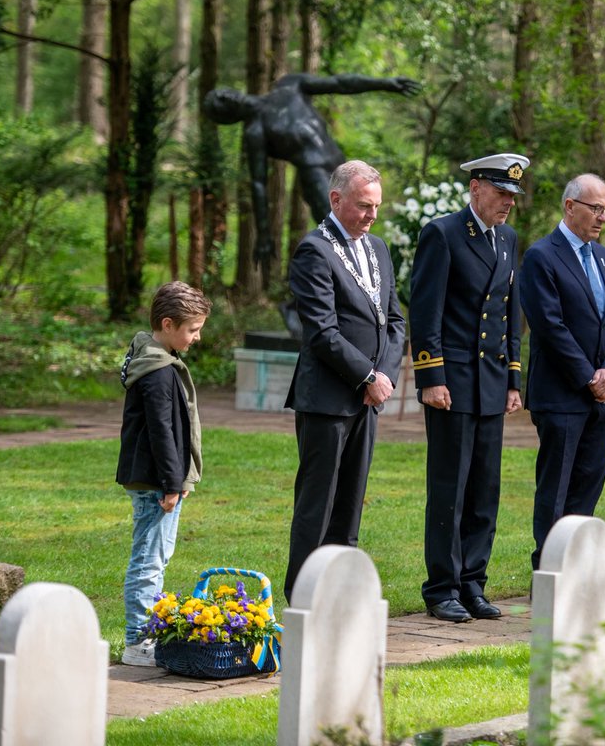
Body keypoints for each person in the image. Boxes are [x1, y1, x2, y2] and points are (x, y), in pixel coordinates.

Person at [411, 152, 527, 622]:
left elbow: (510, 314)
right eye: (501, 193)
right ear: (476, 187)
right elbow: (426, 311)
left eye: (513, 196)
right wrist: (431, 377)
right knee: (450, 487)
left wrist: (514, 379)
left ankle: (473, 583)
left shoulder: (508, 240)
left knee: (485, 489)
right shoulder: (443, 234)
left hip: (492, 382)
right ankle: (442, 588)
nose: (508, 204)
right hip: (453, 381)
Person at [283, 159, 406, 601]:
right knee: (319, 503)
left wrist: (384, 378)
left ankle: (337, 593)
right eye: (362, 205)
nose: (372, 215)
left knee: (351, 502)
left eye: (376, 206)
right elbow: (321, 331)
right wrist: (367, 375)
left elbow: (394, 320)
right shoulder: (314, 250)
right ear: (336, 199)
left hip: (368, 398)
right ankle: (302, 597)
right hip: (327, 400)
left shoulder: (378, 249)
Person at [519, 174, 605, 569]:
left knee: (588, 483)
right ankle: (548, 569)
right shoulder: (541, 256)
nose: (602, 217)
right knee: (556, 487)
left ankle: (576, 563)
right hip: (562, 394)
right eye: (595, 208)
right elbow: (549, 327)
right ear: (570, 207)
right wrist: (590, 377)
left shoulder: (603, 256)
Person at [202, 73, 421, 262]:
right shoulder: (256, 132)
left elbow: (340, 84)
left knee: (361, 225)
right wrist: (264, 234)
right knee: (341, 232)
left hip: (343, 166)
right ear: (227, 118)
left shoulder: (290, 85)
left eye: (220, 93)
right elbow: (258, 185)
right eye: (218, 104)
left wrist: (385, 83)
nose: (223, 97)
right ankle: (334, 293)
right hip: (316, 176)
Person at [116, 281, 213, 667]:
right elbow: (162, 431)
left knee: (156, 556)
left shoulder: (157, 358)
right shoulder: (157, 370)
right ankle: (138, 642)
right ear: (169, 324)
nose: (197, 336)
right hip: (156, 481)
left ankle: (148, 635)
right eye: (193, 329)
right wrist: (173, 483)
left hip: (158, 479)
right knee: (148, 561)